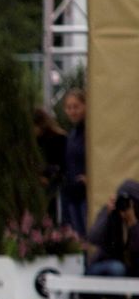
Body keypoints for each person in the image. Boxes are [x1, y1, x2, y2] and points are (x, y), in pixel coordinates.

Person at [85, 180, 139, 279]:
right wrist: (107, 215)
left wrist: (133, 223)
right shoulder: (110, 212)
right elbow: (92, 238)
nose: (125, 206)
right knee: (117, 268)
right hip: (102, 265)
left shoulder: (136, 219)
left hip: (129, 268)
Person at [33, 106, 68, 223]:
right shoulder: (35, 140)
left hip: (53, 185)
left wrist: (47, 176)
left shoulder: (58, 139)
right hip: (39, 186)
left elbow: (61, 165)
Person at [61, 88, 88, 236]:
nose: (73, 111)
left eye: (76, 106)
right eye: (69, 107)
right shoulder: (72, 134)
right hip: (72, 193)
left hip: (86, 195)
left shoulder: (89, 132)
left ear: (85, 106)